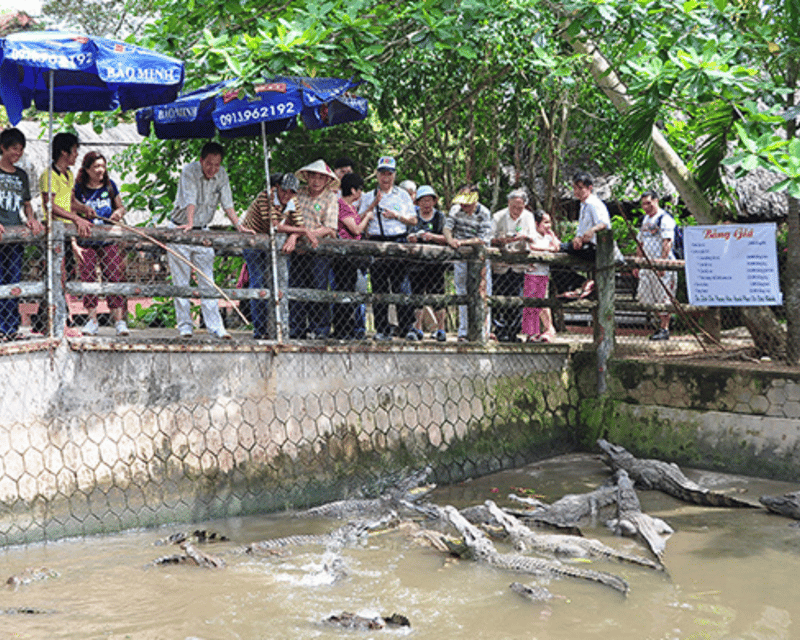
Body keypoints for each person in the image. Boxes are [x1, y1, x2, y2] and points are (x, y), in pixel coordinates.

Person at [167, 141, 252, 340]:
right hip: (181, 229)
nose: (213, 169)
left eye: (217, 164)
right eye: (209, 164)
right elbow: (190, 198)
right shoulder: (189, 171)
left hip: (204, 230)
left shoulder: (221, 174)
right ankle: (185, 326)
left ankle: (215, 326)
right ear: (201, 160)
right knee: (181, 281)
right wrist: (189, 223)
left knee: (208, 280)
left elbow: (227, 203)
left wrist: (238, 225)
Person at [241, 172, 315, 340]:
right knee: (259, 283)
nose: (286, 195)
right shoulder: (265, 197)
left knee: (280, 284)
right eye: (283, 191)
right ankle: (260, 330)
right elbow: (274, 226)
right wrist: (302, 231)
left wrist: (295, 235)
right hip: (254, 242)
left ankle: (279, 327)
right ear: (276, 188)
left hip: (273, 244)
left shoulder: (292, 201)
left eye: (291, 192)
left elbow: (299, 222)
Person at [359, 156, 417, 341]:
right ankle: (382, 329)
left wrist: (397, 216)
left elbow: (413, 220)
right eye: (382, 173)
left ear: (394, 175)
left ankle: (408, 327)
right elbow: (360, 218)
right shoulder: (368, 196)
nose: (386, 177)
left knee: (403, 286)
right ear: (377, 175)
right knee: (379, 287)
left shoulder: (403, 195)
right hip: (376, 241)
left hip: (398, 240)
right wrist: (374, 204)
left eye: (389, 173)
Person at [72, 151, 129, 337]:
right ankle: (92, 320)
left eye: (103, 166)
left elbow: (120, 206)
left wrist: (118, 213)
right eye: (96, 166)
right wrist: (83, 209)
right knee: (88, 277)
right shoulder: (79, 188)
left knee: (113, 275)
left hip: (108, 238)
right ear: (87, 169)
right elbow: (70, 206)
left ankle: (119, 320)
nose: (100, 170)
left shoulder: (110, 186)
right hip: (86, 239)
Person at [0, 128, 43, 341]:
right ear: (3, 148)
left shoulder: (21, 175)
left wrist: (31, 219)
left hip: (15, 234)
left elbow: (27, 204)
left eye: (21, 149)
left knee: (13, 280)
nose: (18, 153)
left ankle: (10, 327)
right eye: (14, 148)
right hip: (1, 233)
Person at [289, 159, 339, 339]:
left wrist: (308, 234)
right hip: (297, 248)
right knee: (296, 287)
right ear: (307, 177)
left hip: (319, 250)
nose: (316, 181)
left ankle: (320, 329)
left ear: (327, 180)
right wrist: (297, 234)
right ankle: (296, 328)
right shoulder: (298, 195)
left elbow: (329, 228)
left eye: (321, 177)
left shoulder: (331, 198)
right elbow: (288, 219)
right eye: (313, 176)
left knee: (318, 287)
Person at [443, 184, 493, 342]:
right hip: (461, 258)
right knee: (461, 293)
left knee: (485, 293)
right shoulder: (455, 209)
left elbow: (483, 239)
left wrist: (462, 242)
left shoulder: (484, 213)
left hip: (480, 259)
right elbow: (447, 228)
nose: (464, 206)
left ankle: (484, 331)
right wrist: (450, 240)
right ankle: (463, 332)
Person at [491, 189, 536, 342]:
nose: (516, 210)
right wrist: (502, 240)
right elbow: (490, 238)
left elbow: (533, 237)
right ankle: (500, 330)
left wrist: (525, 237)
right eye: (513, 206)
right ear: (508, 204)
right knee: (499, 298)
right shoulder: (498, 216)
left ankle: (513, 332)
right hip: (501, 264)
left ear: (525, 205)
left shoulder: (528, 217)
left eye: (520, 207)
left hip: (518, 264)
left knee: (517, 299)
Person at [332, 172, 373, 339]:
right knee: (345, 291)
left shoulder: (349, 207)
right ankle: (342, 329)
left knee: (353, 290)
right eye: (360, 190)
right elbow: (355, 229)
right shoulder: (342, 205)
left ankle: (350, 328)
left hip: (353, 257)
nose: (361, 193)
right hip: (344, 257)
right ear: (353, 190)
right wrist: (368, 218)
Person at [559, 170, 612, 300]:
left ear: (590, 188)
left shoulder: (594, 204)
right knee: (560, 254)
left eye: (580, 188)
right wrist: (578, 238)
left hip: (596, 249)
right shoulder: (583, 205)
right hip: (586, 246)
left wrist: (592, 230)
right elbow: (582, 229)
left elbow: (604, 223)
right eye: (575, 188)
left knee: (559, 249)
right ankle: (580, 285)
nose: (576, 191)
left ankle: (579, 284)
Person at [407, 185, 448, 341]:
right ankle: (417, 328)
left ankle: (441, 329)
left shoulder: (440, 217)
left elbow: (447, 237)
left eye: (429, 200)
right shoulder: (413, 216)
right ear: (418, 202)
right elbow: (408, 234)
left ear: (434, 201)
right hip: (417, 263)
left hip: (436, 263)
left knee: (438, 296)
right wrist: (413, 238)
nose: (426, 204)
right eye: (423, 200)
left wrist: (432, 237)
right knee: (417, 296)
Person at [635, 191, 676, 341]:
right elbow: (641, 242)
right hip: (646, 265)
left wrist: (662, 263)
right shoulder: (645, 220)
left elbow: (667, 241)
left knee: (663, 296)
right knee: (645, 297)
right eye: (643, 204)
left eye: (648, 203)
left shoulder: (664, 219)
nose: (646, 207)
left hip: (660, 264)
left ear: (656, 201)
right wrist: (637, 263)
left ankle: (664, 328)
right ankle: (658, 324)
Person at [524, 210, 560, 342]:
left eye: (549, 222)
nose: (548, 225)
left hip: (543, 274)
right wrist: (547, 249)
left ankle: (547, 329)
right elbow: (531, 247)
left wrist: (552, 235)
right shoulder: (531, 234)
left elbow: (557, 247)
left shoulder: (548, 236)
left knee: (543, 302)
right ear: (536, 223)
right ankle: (531, 332)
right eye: (545, 222)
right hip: (531, 273)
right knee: (531, 303)